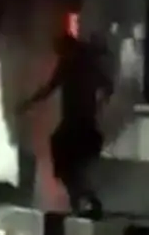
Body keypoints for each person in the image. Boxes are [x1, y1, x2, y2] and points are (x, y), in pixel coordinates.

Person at [17, 31, 113, 218]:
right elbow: (107, 86)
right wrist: (101, 104)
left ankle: (83, 199)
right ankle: (83, 200)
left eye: (61, 50)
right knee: (71, 167)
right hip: (84, 124)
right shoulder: (85, 64)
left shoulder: (71, 64)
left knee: (67, 165)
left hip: (77, 124)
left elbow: (49, 88)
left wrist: (28, 103)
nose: (59, 54)